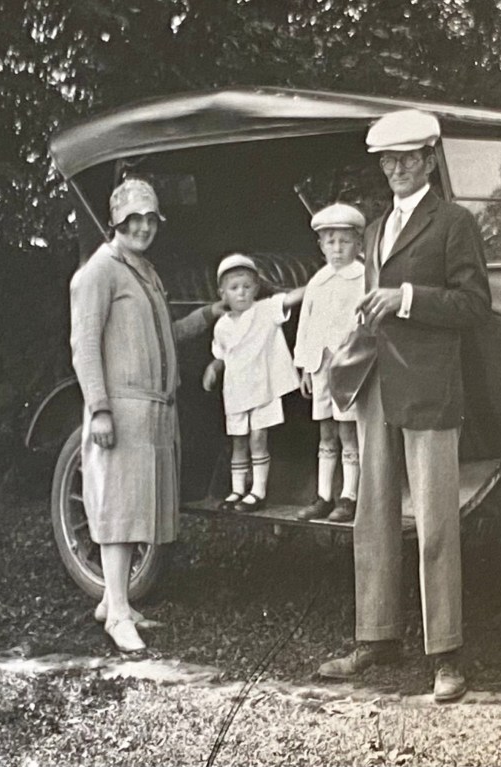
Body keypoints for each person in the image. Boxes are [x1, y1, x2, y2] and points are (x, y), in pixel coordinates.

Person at [318, 110, 492, 702]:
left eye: (407, 158)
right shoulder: (372, 231)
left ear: (428, 160)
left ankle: (446, 656)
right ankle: (376, 638)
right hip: (378, 387)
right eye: (387, 160)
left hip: (430, 388)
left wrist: (407, 298)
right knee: (372, 516)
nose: (396, 168)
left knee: (436, 524)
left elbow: (475, 305)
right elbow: (375, 306)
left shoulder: (454, 222)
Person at [70, 177, 225, 653]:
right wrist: (99, 409)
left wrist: (208, 315)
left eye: (150, 219)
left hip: (154, 410)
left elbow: (162, 336)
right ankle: (117, 613)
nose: (142, 227)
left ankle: (114, 602)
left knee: (138, 508)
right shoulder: (99, 271)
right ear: (115, 221)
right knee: (119, 509)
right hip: (122, 407)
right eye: (133, 219)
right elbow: (84, 345)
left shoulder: (145, 272)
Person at [202, 254, 304, 512]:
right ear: (223, 293)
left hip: (263, 389)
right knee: (238, 440)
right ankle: (237, 490)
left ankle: (258, 491)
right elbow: (222, 354)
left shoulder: (265, 310)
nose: (241, 293)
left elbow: (292, 298)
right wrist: (213, 367)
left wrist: (326, 278)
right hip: (236, 391)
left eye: (247, 287)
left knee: (258, 438)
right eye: (234, 288)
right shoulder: (222, 326)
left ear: (256, 288)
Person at [293, 203, 367, 523]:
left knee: (348, 431)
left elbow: (366, 326)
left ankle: (349, 496)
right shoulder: (318, 282)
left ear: (358, 244)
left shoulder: (363, 278)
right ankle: (323, 496)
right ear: (321, 245)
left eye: (345, 241)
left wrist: (359, 362)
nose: (337, 249)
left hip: (349, 368)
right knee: (326, 431)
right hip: (321, 368)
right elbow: (307, 326)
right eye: (330, 241)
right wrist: (305, 368)